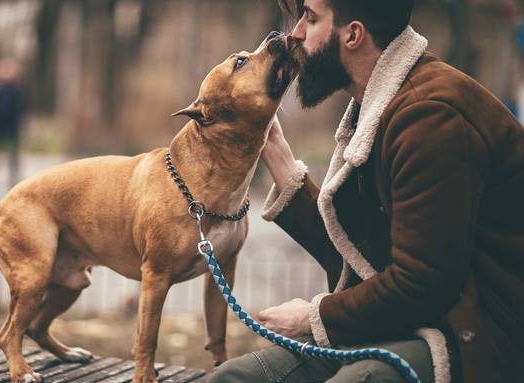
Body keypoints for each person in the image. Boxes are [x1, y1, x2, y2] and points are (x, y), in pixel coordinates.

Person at [207, 0, 524, 382]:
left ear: (353, 34)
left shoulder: (430, 116)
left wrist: (315, 316)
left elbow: (422, 286)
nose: (296, 34)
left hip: (479, 337)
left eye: (310, 18)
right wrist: (278, 159)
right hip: (414, 322)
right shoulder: (379, 105)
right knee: (234, 377)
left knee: (360, 379)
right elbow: (361, 253)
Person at [0, 57, 26, 188]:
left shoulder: (16, 90)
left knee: (12, 150)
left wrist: (22, 121)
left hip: (12, 124)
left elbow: (21, 108)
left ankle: (13, 172)